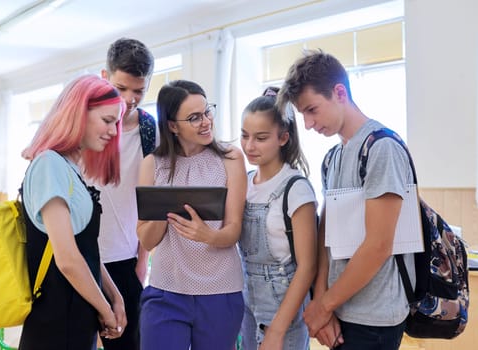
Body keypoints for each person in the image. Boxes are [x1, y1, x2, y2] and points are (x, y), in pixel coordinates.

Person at [277, 50, 415, 350]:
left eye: (312, 110)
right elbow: (327, 235)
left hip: (375, 317)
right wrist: (323, 298)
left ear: (340, 92)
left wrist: (324, 306)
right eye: (303, 115)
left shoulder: (382, 148)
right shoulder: (333, 157)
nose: (309, 124)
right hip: (341, 309)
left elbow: (379, 245)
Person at [19, 74, 127, 350]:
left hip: (76, 319)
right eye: (107, 121)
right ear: (78, 114)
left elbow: (84, 249)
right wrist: (105, 308)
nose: (114, 132)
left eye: (116, 123)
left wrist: (116, 297)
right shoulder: (48, 165)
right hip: (55, 325)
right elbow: (67, 259)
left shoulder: (69, 169)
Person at [137, 79, 247, 350]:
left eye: (207, 111)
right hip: (166, 290)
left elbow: (233, 230)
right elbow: (147, 241)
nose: (206, 121)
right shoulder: (152, 165)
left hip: (220, 291)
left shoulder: (231, 158)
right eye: (194, 117)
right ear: (173, 126)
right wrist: (166, 206)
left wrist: (207, 235)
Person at [239, 87, 318, 350]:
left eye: (261, 138)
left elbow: (307, 266)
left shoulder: (296, 188)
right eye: (244, 136)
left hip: (284, 312)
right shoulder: (244, 182)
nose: (249, 146)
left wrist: (277, 330)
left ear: (283, 138)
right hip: (247, 305)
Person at [96, 37, 157, 350]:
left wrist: (142, 259)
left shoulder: (149, 130)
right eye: (121, 89)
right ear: (104, 77)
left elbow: (150, 199)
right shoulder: (85, 125)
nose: (130, 99)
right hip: (84, 257)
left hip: (126, 260)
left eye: (139, 91)